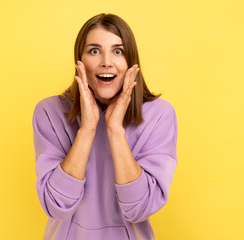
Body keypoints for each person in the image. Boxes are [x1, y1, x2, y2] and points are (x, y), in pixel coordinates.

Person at [32, 13, 178, 240]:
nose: (106, 62)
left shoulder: (159, 115)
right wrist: (87, 130)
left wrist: (115, 130)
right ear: (79, 61)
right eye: (94, 50)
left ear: (131, 62)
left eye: (118, 51)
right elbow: (56, 205)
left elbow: (139, 208)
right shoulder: (49, 112)